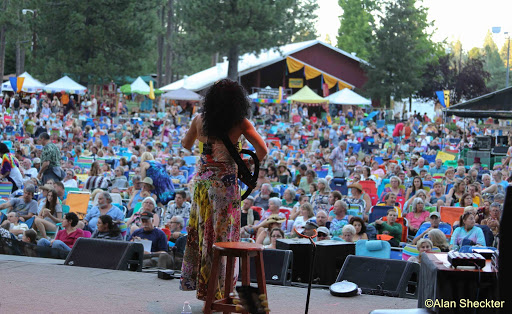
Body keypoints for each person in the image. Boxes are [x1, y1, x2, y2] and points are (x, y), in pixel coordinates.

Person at [180, 79, 267, 301]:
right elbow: (262, 149)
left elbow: (186, 144)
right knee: (222, 237)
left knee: (202, 234)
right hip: (226, 188)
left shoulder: (199, 120)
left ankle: (203, 288)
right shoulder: (241, 124)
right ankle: (220, 289)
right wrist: (243, 165)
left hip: (201, 185)